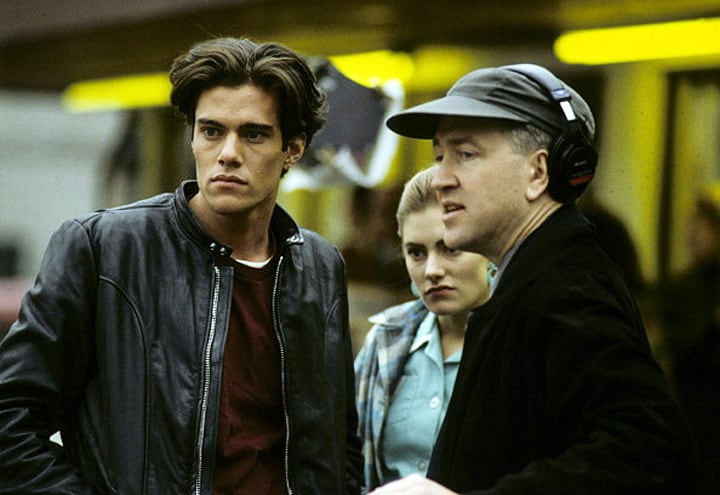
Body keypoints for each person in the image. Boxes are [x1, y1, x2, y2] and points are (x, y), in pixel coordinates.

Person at [0, 37, 362, 494]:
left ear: (292, 148)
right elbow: (9, 421)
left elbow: (338, 441)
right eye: (211, 131)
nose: (228, 153)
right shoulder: (104, 248)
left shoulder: (320, 265)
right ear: (192, 135)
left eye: (253, 134)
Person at [369, 63, 697, 494]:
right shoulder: (532, 278)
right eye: (439, 156)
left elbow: (647, 450)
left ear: (539, 172)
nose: (442, 180)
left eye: (465, 155)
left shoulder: (567, 287)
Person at [354, 165, 491, 492]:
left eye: (451, 248)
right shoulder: (385, 341)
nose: (431, 270)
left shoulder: (521, 342)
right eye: (416, 252)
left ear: (490, 247)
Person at [657, 193, 720, 495]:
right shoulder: (683, 288)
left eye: (704, 225)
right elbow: (683, 346)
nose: (693, 234)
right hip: (695, 412)